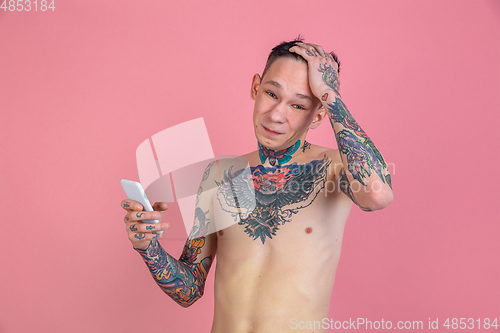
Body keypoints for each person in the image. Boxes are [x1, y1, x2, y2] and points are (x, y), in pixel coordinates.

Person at [121, 37, 393, 332]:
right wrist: (148, 246)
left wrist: (330, 94)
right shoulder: (218, 174)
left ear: (319, 116)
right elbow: (188, 290)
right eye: (272, 94)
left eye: (299, 105)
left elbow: (377, 196)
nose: (276, 114)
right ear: (255, 87)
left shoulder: (335, 169)